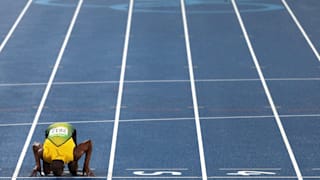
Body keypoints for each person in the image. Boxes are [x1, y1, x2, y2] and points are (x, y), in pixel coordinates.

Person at [30, 122, 94, 176]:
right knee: (47, 172)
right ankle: (46, 161)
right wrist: (38, 165)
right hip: (51, 129)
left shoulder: (72, 155)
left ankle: (73, 163)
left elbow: (88, 143)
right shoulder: (45, 155)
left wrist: (86, 167)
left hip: (68, 128)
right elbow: (35, 146)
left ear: (63, 166)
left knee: (73, 169)